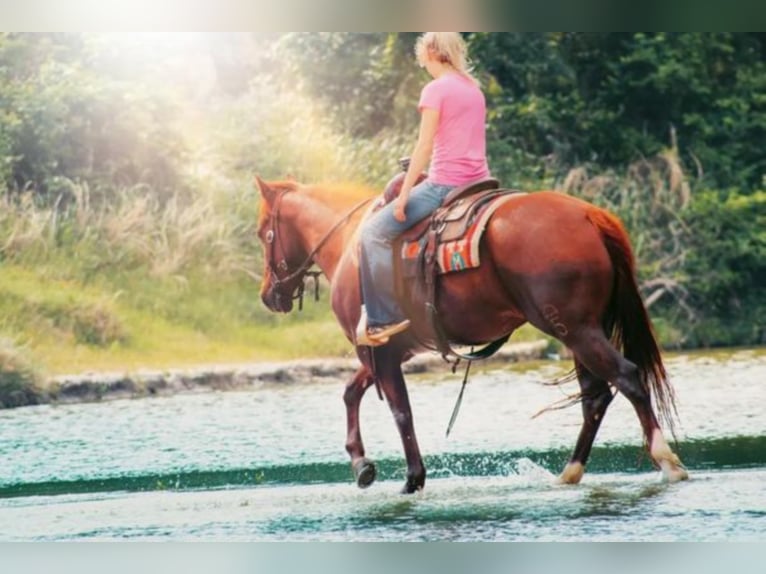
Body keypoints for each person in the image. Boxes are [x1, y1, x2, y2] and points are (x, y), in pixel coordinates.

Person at [356, 32, 491, 347]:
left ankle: (383, 318)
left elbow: (424, 144)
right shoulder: (474, 90)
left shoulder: (436, 89)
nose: (424, 65)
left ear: (431, 52)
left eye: (423, 59)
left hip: (444, 185)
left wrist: (403, 195)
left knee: (372, 233)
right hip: (479, 182)